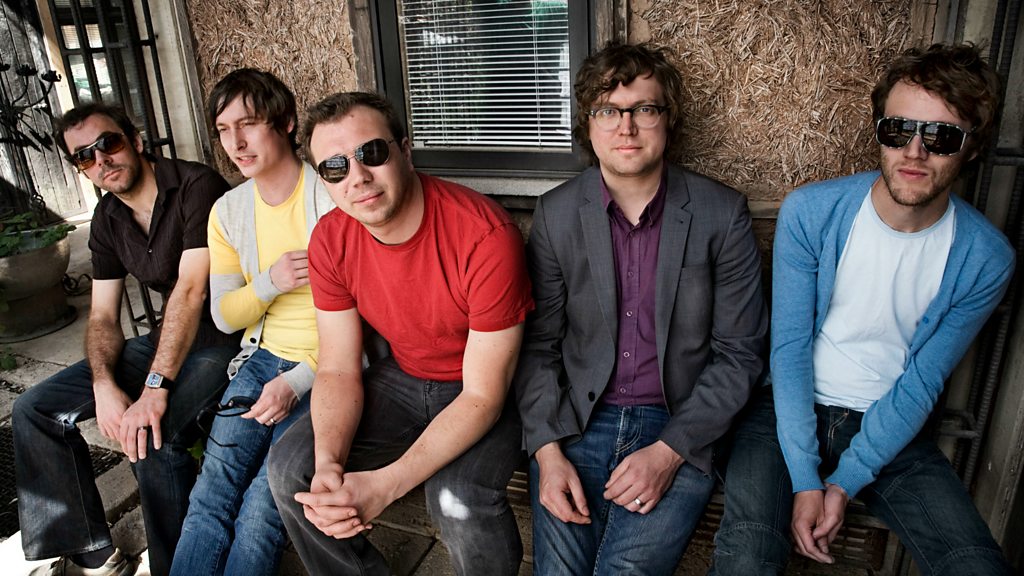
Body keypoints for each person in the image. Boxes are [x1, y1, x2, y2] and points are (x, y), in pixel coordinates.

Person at [709, 43, 1015, 575]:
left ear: (971, 148)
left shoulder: (985, 257)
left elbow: (922, 381)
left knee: (975, 564)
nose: (915, 151)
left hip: (891, 424)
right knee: (747, 557)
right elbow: (788, 349)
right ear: (879, 132)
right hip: (783, 410)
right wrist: (806, 480)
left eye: (941, 136)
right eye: (898, 130)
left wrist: (844, 483)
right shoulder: (813, 212)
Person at [514, 42, 768, 575]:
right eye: (608, 111)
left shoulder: (721, 214)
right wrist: (546, 452)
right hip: (579, 421)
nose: (626, 127)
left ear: (667, 119)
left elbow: (740, 354)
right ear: (588, 125)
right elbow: (538, 346)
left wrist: (670, 450)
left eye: (644, 109)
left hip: (679, 422)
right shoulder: (557, 214)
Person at [266, 91, 534, 575]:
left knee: (457, 499)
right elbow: (338, 367)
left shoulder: (484, 235)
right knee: (293, 471)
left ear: (405, 151)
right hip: (405, 376)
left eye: (371, 153)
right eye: (334, 167)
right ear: (324, 180)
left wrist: (384, 485)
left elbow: (483, 396)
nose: (358, 177)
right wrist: (329, 465)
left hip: (488, 386)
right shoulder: (331, 238)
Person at [12, 102, 238, 576]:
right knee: (34, 409)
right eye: (84, 156)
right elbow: (101, 316)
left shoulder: (196, 186)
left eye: (108, 143)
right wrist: (103, 384)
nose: (100, 160)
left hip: (224, 341)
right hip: (165, 342)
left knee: (150, 436)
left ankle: (177, 567)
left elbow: (192, 290)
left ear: (135, 141)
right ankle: (94, 557)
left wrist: (153, 388)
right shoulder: (108, 218)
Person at [169, 69, 333, 576]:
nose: (235, 143)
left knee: (263, 507)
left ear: (285, 123)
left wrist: (298, 381)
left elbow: (371, 326)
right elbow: (224, 315)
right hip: (259, 361)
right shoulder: (228, 211)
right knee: (211, 494)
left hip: (329, 370)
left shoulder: (332, 196)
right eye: (223, 129)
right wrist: (270, 281)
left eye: (248, 124)